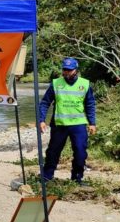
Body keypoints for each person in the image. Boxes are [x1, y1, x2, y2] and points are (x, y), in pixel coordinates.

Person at [38, 57, 97, 186]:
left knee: (81, 152)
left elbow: (90, 104)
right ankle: (46, 177)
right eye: (65, 70)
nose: (67, 72)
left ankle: (77, 178)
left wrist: (92, 123)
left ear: (76, 70)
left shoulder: (85, 84)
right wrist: (41, 120)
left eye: (69, 70)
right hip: (60, 125)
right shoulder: (55, 83)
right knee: (53, 152)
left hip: (78, 125)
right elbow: (45, 103)